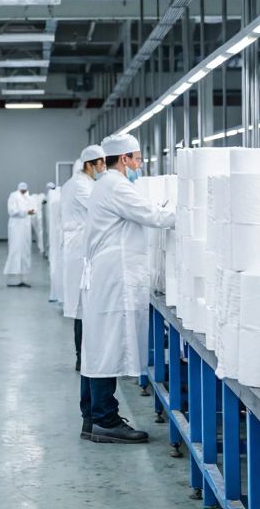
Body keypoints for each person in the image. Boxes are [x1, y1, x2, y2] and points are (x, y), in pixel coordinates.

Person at [81, 133, 175, 444]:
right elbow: (152, 216)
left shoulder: (106, 184)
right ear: (124, 159)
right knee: (107, 345)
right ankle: (105, 420)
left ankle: (91, 418)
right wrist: (189, 212)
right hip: (115, 275)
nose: (139, 164)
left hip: (108, 273)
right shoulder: (116, 185)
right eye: (136, 157)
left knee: (98, 345)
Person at [63, 145, 106, 379]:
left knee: (84, 306)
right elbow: (100, 208)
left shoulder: (83, 183)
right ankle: (83, 356)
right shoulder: (80, 185)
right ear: (89, 164)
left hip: (82, 247)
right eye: (101, 164)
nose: (103, 168)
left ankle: (84, 355)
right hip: (80, 249)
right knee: (82, 307)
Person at [4, 181, 36, 287]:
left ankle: (23, 279)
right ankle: (12, 280)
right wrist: (26, 212)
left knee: (25, 252)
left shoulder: (29, 198)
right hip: (16, 227)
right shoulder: (13, 196)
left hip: (25, 228)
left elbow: (33, 209)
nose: (24, 191)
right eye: (22, 190)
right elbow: (12, 211)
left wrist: (31, 211)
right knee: (15, 250)